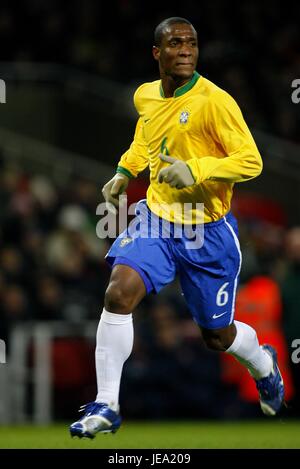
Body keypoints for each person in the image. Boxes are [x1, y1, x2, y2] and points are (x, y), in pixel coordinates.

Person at [70, 17, 285, 439]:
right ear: (158, 53)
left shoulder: (215, 102)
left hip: (209, 232)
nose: (185, 49)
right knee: (118, 292)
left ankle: (262, 363)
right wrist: (123, 171)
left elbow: (252, 160)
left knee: (217, 337)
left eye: (191, 43)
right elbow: (146, 136)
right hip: (158, 219)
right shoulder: (145, 95)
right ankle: (108, 404)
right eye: (175, 43)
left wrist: (198, 169)